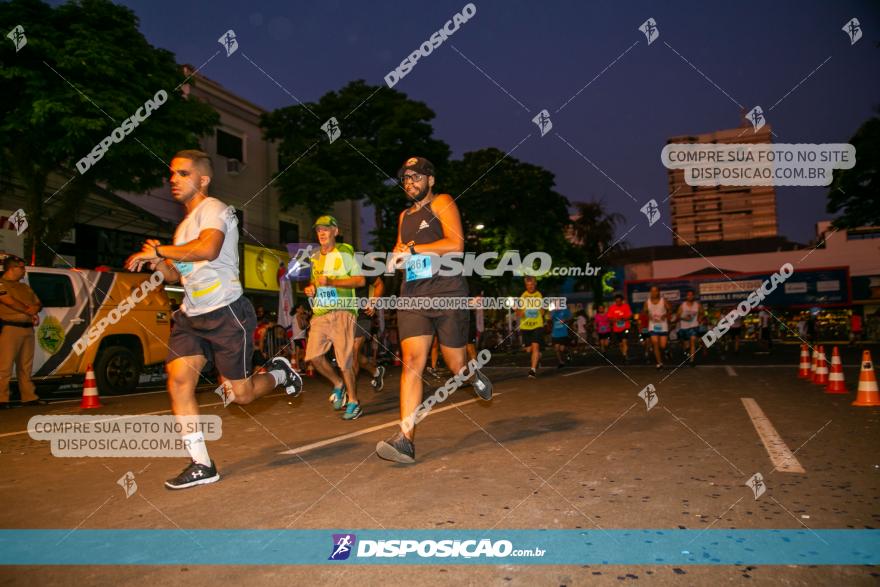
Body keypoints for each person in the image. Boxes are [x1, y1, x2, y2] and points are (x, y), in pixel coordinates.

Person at [124, 150, 301, 490]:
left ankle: (279, 373)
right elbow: (178, 275)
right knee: (177, 381)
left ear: (202, 180)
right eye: (172, 174)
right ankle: (201, 463)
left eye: (182, 174)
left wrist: (161, 251)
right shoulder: (181, 229)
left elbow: (208, 250)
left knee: (241, 395)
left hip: (225, 312)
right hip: (191, 316)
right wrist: (158, 265)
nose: (173, 179)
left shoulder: (216, 209)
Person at [375, 156, 492, 464]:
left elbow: (455, 244)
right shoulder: (404, 216)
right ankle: (405, 440)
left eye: (416, 177)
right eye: (406, 179)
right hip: (413, 294)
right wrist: (396, 259)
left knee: (456, 366)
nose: (410, 182)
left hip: (447, 291)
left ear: (430, 180)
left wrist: (413, 250)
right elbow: (403, 249)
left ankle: (472, 373)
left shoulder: (442, 202)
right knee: (412, 361)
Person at [302, 215, 366, 421]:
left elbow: (359, 281)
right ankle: (338, 384)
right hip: (320, 312)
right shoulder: (314, 256)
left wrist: (333, 281)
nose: (321, 232)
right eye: (318, 229)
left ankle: (354, 401)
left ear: (335, 232)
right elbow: (315, 282)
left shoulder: (345, 250)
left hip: (342, 311)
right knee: (313, 356)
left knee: (344, 361)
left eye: (326, 229)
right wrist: (311, 288)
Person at [0, 255, 45, 408]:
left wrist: (35, 309)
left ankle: (29, 397)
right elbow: (8, 301)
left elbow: (38, 302)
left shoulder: (24, 287)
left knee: (25, 366)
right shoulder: (1, 284)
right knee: (4, 366)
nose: (24, 270)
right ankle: (2, 399)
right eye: (22, 268)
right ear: (12, 268)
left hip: (27, 330)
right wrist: (30, 311)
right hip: (9, 329)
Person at [353, 276, 385, 391]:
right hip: (344, 317)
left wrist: (372, 302)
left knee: (353, 352)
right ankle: (376, 372)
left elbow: (379, 284)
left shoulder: (361, 266)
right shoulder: (335, 269)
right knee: (353, 355)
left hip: (362, 316)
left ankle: (349, 395)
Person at [518, 276, 545, 378]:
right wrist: (518, 311)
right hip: (525, 326)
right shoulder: (523, 296)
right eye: (528, 285)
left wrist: (542, 310)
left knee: (535, 346)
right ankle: (538, 355)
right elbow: (519, 313)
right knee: (529, 349)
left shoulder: (539, 295)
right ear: (526, 285)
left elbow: (542, 311)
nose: (530, 287)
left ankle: (532, 370)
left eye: (532, 284)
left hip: (537, 325)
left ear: (535, 284)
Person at [644, 286, 672, 369]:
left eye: (655, 291)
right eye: (652, 291)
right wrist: (648, 316)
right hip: (653, 325)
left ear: (658, 292)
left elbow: (670, 309)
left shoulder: (664, 301)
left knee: (662, 346)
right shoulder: (647, 302)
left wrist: (665, 315)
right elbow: (645, 311)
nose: (654, 293)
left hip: (663, 325)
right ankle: (659, 363)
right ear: (650, 292)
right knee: (655, 343)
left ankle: (665, 351)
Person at [676, 289, 701, 367]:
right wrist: (684, 318)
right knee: (687, 345)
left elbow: (702, 313)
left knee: (693, 341)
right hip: (684, 328)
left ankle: (692, 360)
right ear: (686, 296)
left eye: (691, 295)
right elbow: (677, 316)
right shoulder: (682, 305)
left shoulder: (697, 305)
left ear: (693, 296)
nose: (690, 296)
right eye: (688, 295)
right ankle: (687, 350)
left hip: (694, 326)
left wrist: (700, 318)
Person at [607, 294, 632, 363]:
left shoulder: (626, 307)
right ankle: (624, 354)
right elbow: (609, 318)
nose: (618, 302)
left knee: (625, 341)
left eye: (619, 301)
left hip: (625, 327)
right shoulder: (612, 308)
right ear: (615, 301)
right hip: (617, 329)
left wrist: (623, 318)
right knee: (620, 344)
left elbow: (629, 316)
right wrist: (615, 320)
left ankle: (624, 355)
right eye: (616, 301)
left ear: (622, 301)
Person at [550, 303, 572, 368]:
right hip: (555, 333)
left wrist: (565, 320)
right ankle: (561, 362)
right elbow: (550, 319)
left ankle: (567, 353)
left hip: (563, 333)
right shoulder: (553, 311)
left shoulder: (565, 310)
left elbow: (571, 317)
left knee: (562, 349)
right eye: (555, 304)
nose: (557, 305)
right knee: (556, 349)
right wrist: (551, 313)